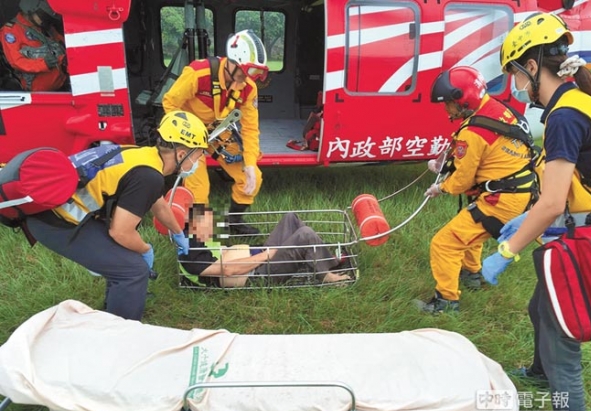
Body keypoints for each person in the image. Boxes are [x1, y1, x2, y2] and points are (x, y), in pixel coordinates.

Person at [482, 12, 591, 411]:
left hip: (584, 240)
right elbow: (563, 189)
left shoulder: (564, 117)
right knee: (540, 309)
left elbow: (551, 203)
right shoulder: (582, 102)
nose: (513, 83)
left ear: (531, 67)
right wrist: (530, 216)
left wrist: (507, 249)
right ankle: (536, 372)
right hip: (585, 227)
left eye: (514, 72)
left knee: (563, 352)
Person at [25, 110, 210, 321]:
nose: (198, 161)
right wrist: (146, 249)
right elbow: (120, 232)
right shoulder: (148, 176)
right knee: (133, 270)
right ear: (180, 154)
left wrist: (178, 233)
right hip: (56, 221)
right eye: (198, 154)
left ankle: (117, 305)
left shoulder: (143, 156)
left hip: (53, 211)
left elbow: (158, 204)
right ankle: (120, 333)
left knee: (125, 261)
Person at [416, 66, 539, 314]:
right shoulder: (498, 110)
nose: (446, 109)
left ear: (462, 101)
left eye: (448, 103)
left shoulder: (474, 131)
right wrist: (445, 161)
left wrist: (440, 187)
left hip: (502, 199)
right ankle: (471, 275)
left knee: (445, 243)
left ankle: (446, 302)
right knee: (470, 226)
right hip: (520, 191)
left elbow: (461, 181)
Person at [162, 29, 269, 235]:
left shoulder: (248, 88)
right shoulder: (198, 73)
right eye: (245, 72)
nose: (247, 79)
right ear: (231, 62)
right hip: (190, 135)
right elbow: (170, 103)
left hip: (217, 132)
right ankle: (200, 235)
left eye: (254, 74)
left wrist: (249, 164)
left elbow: (250, 128)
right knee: (199, 188)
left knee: (252, 177)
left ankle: (234, 223)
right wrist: (186, 135)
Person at [179, 205, 351, 287]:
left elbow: (222, 254)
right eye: (209, 222)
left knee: (290, 217)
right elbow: (228, 270)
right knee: (305, 234)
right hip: (258, 275)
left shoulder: (198, 239)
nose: (215, 225)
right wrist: (265, 256)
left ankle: (325, 262)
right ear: (195, 225)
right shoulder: (191, 253)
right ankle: (326, 277)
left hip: (261, 257)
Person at [0, 0, 67, 91]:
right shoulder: (11, 31)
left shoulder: (46, 28)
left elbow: (63, 44)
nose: (45, 21)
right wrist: (43, 64)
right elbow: (16, 62)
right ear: (30, 10)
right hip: (37, 95)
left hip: (62, 86)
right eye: (44, 16)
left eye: (48, 18)